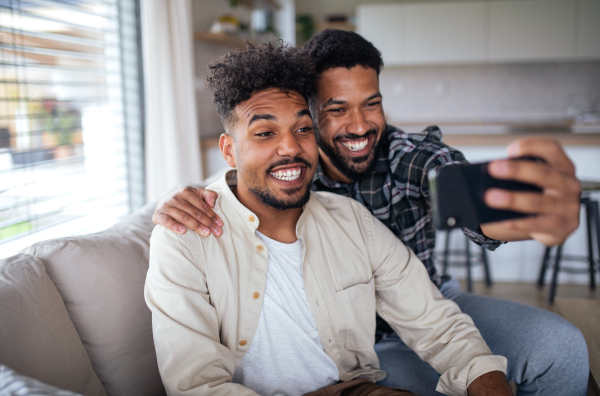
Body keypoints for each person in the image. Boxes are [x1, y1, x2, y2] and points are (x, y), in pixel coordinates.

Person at [152, 31, 588, 396]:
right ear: (317, 114)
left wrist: (521, 204)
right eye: (337, 109)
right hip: (362, 346)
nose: (359, 125)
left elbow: (458, 192)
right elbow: (242, 173)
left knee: (560, 348)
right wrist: (174, 200)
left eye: (371, 103)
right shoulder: (249, 196)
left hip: (420, 305)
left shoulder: (389, 176)